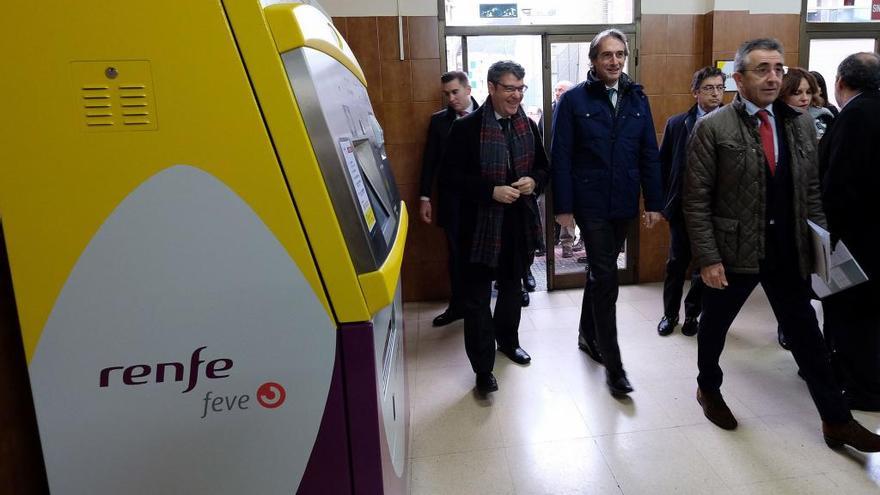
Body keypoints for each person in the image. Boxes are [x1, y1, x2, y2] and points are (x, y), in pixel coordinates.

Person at [684, 38, 880, 452]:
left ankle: (836, 420)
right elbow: (696, 200)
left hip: (787, 250)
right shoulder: (713, 127)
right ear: (739, 78)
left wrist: (820, 249)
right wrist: (707, 258)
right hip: (733, 251)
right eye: (762, 69)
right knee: (714, 328)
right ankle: (708, 388)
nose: (773, 77)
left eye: (778, 67)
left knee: (807, 335)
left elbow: (811, 192)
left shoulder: (801, 123)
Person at [551, 29, 663, 396]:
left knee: (601, 274)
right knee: (606, 275)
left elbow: (649, 151)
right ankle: (614, 366)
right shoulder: (573, 100)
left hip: (624, 202)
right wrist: (563, 208)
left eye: (619, 54)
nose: (614, 61)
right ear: (593, 61)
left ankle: (586, 334)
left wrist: (655, 202)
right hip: (590, 201)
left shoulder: (637, 98)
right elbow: (561, 156)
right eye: (606, 55)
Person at [445, 60, 549, 395]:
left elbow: (544, 168)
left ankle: (508, 342)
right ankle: (482, 367)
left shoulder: (528, 126)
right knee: (476, 300)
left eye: (521, 88)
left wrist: (534, 181)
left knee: (510, 292)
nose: (516, 95)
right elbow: (450, 179)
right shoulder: (466, 128)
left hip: (517, 226)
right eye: (509, 88)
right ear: (491, 88)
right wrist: (489, 191)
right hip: (478, 231)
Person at [819, 52, 880, 412]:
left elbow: (839, 183)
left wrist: (825, 236)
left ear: (840, 82)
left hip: (855, 241)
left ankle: (861, 388)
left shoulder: (855, 115)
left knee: (851, 316)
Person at [656, 67, 725, 337]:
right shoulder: (677, 123)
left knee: (703, 265)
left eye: (720, 87)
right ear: (695, 92)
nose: (715, 93)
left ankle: (693, 313)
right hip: (682, 207)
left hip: (715, 210)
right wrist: (662, 203)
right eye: (709, 88)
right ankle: (670, 314)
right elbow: (663, 166)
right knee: (676, 263)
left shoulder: (731, 122)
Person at [419, 71, 479, 327]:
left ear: (468, 89)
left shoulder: (488, 116)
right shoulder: (439, 122)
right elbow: (429, 162)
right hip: (453, 201)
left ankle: (485, 305)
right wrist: (424, 197)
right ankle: (458, 306)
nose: (451, 98)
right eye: (447, 94)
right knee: (456, 255)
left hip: (485, 199)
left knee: (486, 254)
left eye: (455, 92)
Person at [780, 68, 834, 139]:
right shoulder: (773, 120)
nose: (805, 98)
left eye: (809, 92)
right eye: (797, 93)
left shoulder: (822, 118)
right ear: (782, 95)